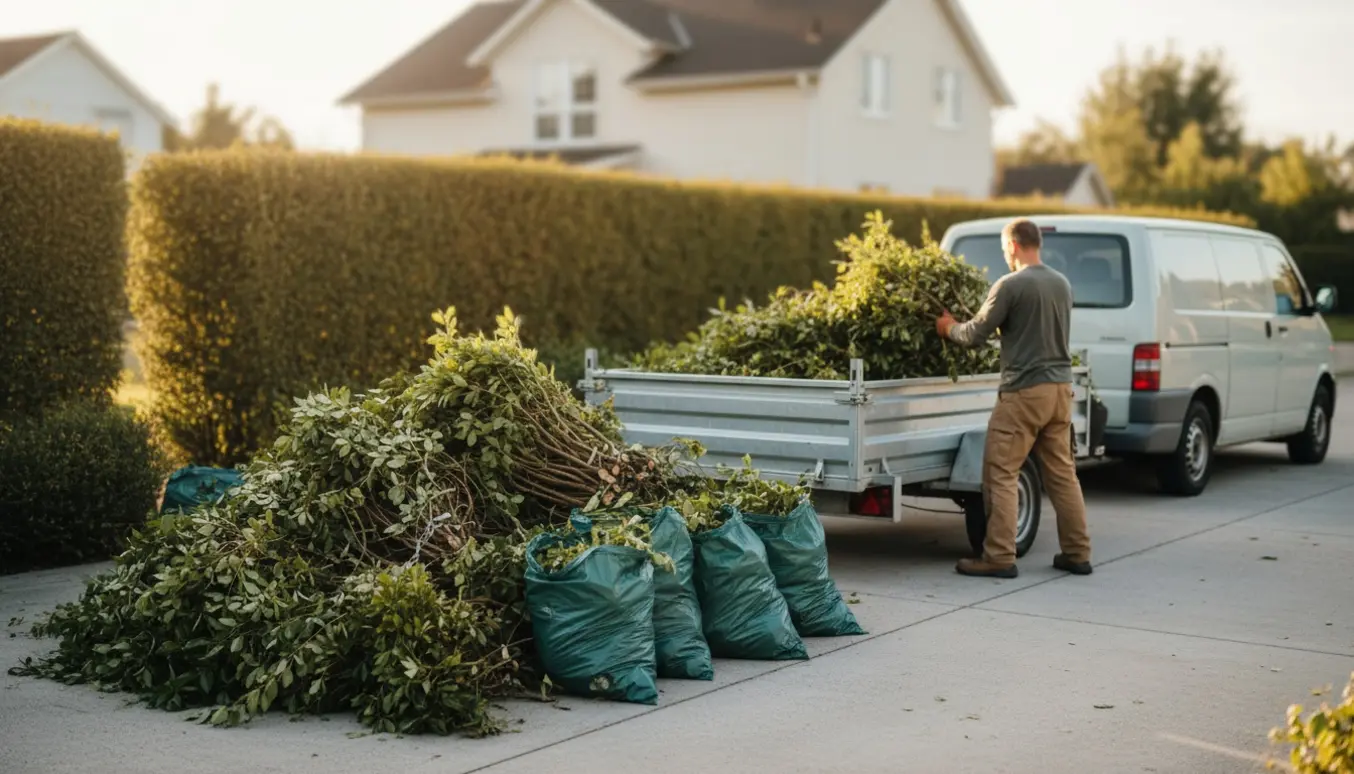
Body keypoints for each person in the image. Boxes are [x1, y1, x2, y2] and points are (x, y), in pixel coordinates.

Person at [935, 218, 1093, 579]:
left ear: (1013, 245)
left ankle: (999, 557)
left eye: (1004, 247)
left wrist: (947, 328)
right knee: (1063, 476)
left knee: (1002, 473)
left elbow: (974, 334)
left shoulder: (1010, 285)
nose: (1004, 253)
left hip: (1024, 393)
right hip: (1059, 392)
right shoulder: (1061, 283)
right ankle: (1077, 552)